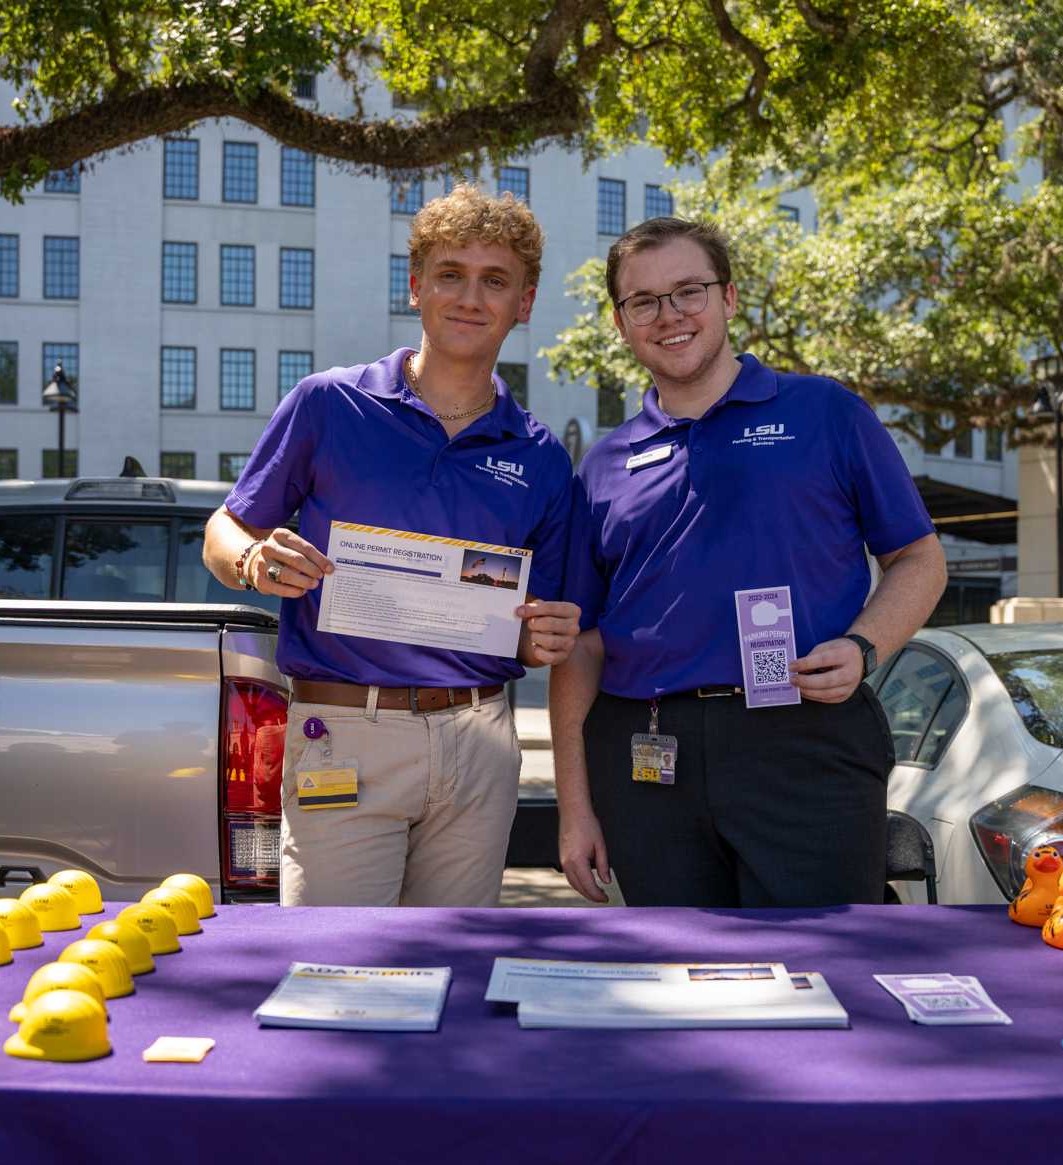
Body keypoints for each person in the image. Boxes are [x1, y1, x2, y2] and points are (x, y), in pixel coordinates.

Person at [551, 217, 946, 907]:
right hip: (647, 756)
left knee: (822, 969)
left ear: (729, 299)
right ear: (620, 323)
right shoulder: (604, 466)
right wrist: (574, 807)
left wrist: (863, 646)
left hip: (806, 738)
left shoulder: (825, 412)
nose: (669, 315)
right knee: (677, 978)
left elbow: (919, 558)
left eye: (688, 292)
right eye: (643, 301)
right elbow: (581, 645)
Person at [203, 185, 581, 907]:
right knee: (333, 971)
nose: (470, 297)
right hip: (344, 730)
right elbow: (224, 529)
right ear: (416, 287)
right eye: (450, 274)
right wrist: (253, 562)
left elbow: (535, 634)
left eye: (494, 280)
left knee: (451, 976)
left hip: (479, 739)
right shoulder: (327, 404)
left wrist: (548, 636)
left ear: (523, 303)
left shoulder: (539, 455)